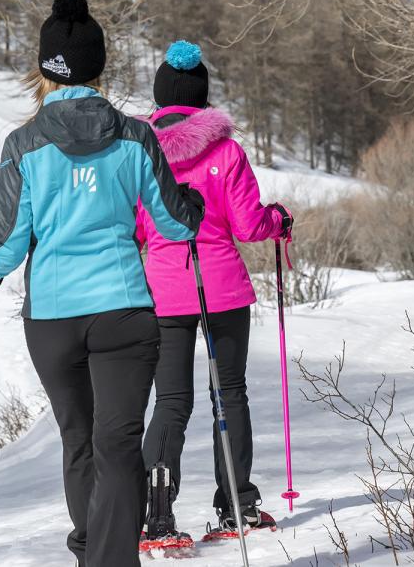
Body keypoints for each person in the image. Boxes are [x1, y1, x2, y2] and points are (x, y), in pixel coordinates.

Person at [0, 0, 204, 567]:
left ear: (46, 70)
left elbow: (9, 243)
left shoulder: (22, 145)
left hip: (52, 318)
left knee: (79, 442)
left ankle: (92, 555)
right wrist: (193, 206)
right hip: (124, 309)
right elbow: (174, 223)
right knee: (118, 445)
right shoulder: (136, 136)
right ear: (98, 66)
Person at [134, 40, 292, 545]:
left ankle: (156, 515)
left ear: (160, 100)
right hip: (222, 286)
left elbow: (135, 229)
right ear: (202, 99)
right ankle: (237, 507)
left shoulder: (140, 153)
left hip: (162, 289)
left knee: (171, 401)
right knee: (230, 394)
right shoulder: (227, 151)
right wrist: (278, 221)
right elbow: (248, 226)